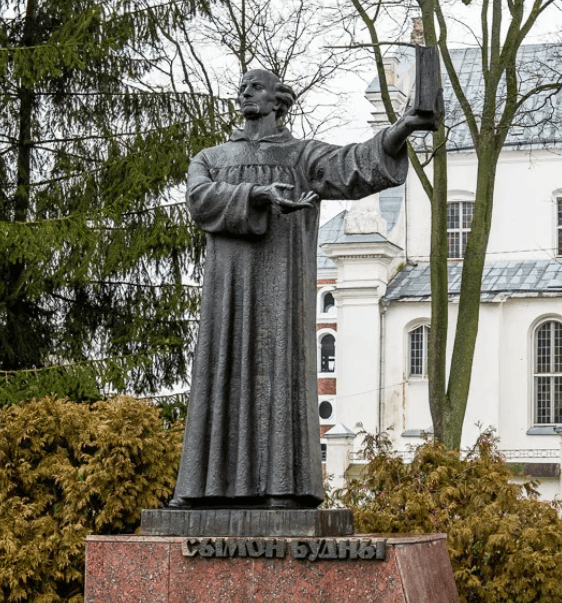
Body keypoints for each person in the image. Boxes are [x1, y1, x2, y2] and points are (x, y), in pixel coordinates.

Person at [169, 69, 435, 509]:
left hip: (281, 285)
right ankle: (202, 489)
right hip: (227, 291)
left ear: (279, 100)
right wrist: (256, 195)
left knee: (280, 373)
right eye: (242, 87)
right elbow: (200, 199)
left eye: (255, 86)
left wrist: (399, 129)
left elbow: (354, 165)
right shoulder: (211, 158)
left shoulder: (302, 156)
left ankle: (283, 488)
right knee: (221, 369)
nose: (245, 92)